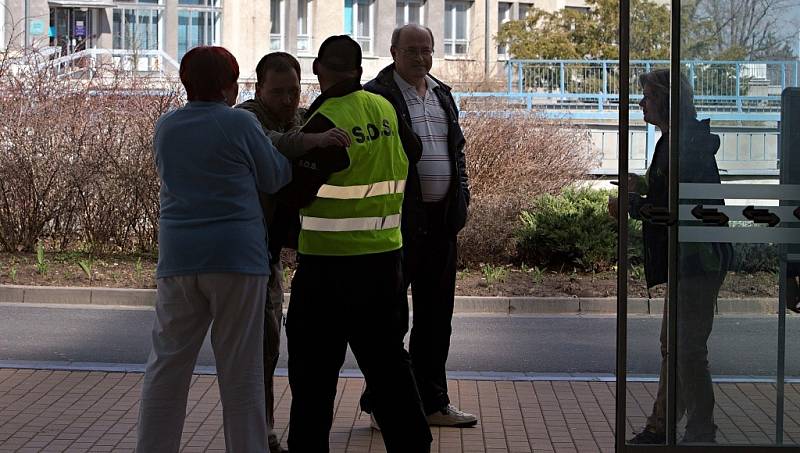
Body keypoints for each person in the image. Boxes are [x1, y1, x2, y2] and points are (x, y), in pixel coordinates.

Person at [136, 46, 291, 453]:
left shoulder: (166, 127)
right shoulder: (239, 123)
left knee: (167, 366)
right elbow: (275, 177)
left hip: (179, 259)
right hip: (238, 259)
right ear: (230, 85)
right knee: (241, 372)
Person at [283, 35, 432, 453]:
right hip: (385, 262)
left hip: (328, 269)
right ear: (360, 69)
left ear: (317, 69)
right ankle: (414, 446)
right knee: (389, 368)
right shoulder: (383, 107)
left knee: (313, 378)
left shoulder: (326, 118)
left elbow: (293, 193)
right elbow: (415, 150)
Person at [359, 24, 476, 428]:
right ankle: (383, 405)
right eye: (411, 50)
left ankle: (432, 402)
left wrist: (461, 198)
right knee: (389, 320)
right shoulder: (378, 96)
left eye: (426, 49)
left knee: (436, 319)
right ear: (392, 52)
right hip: (397, 225)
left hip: (442, 224)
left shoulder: (443, 93)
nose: (421, 57)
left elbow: (456, 151)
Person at [609, 69, 732, 444]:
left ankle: (696, 427)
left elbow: (675, 208)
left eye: (646, 96)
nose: (641, 103)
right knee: (675, 346)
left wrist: (630, 204)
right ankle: (664, 424)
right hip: (691, 257)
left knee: (686, 348)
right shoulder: (675, 140)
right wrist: (642, 186)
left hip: (698, 257)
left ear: (666, 99)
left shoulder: (684, 143)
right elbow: (672, 193)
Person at [236, 51, 350, 453]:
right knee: (259, 346)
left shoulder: (299, 117)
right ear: (258, 89)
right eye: (278, 91)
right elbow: (275, 145)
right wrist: (314, 140)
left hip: (272, 249)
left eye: (294, 91)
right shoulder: (246, 118)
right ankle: (261, 431)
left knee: (269, 343)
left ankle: (260, 429)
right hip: (249, 250)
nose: (288, 99)